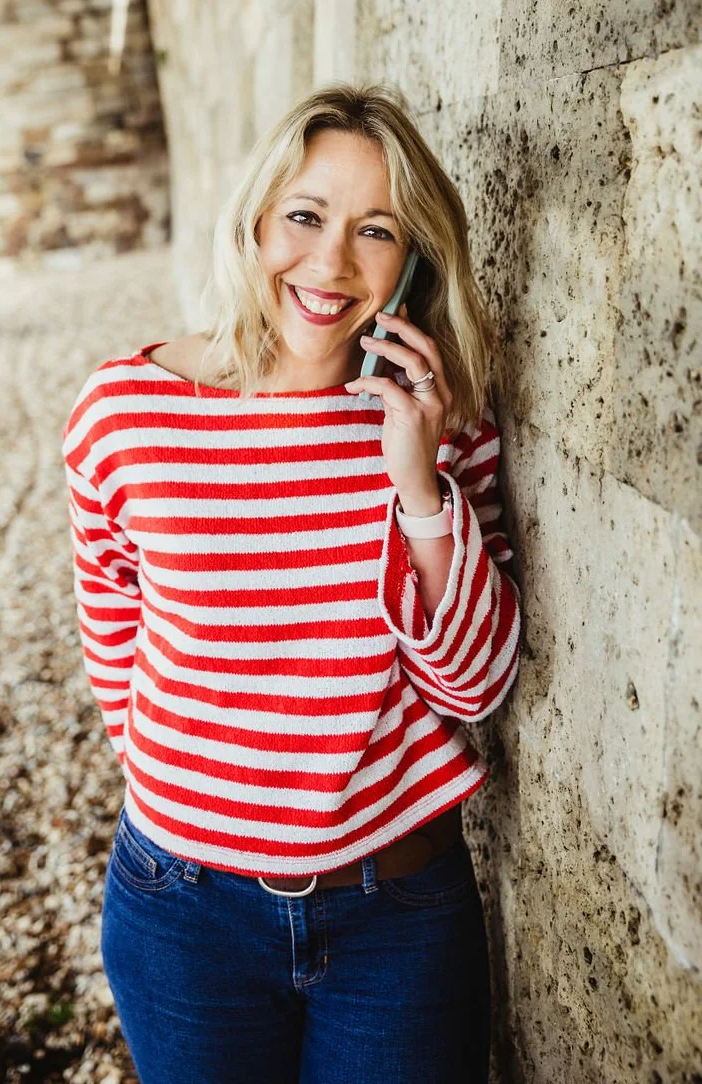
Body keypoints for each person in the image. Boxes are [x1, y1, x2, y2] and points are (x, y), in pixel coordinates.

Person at [62, 83, 521, 1084]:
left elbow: (475, 689)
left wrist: (418, 482)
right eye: (305, 216)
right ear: (255, 222)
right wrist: (197, 796)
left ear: (414, 259)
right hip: (182, 914)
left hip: (396, 917)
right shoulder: (123, 413)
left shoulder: (441, 420)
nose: (330, 263)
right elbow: (113, 634)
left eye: (376, 231)